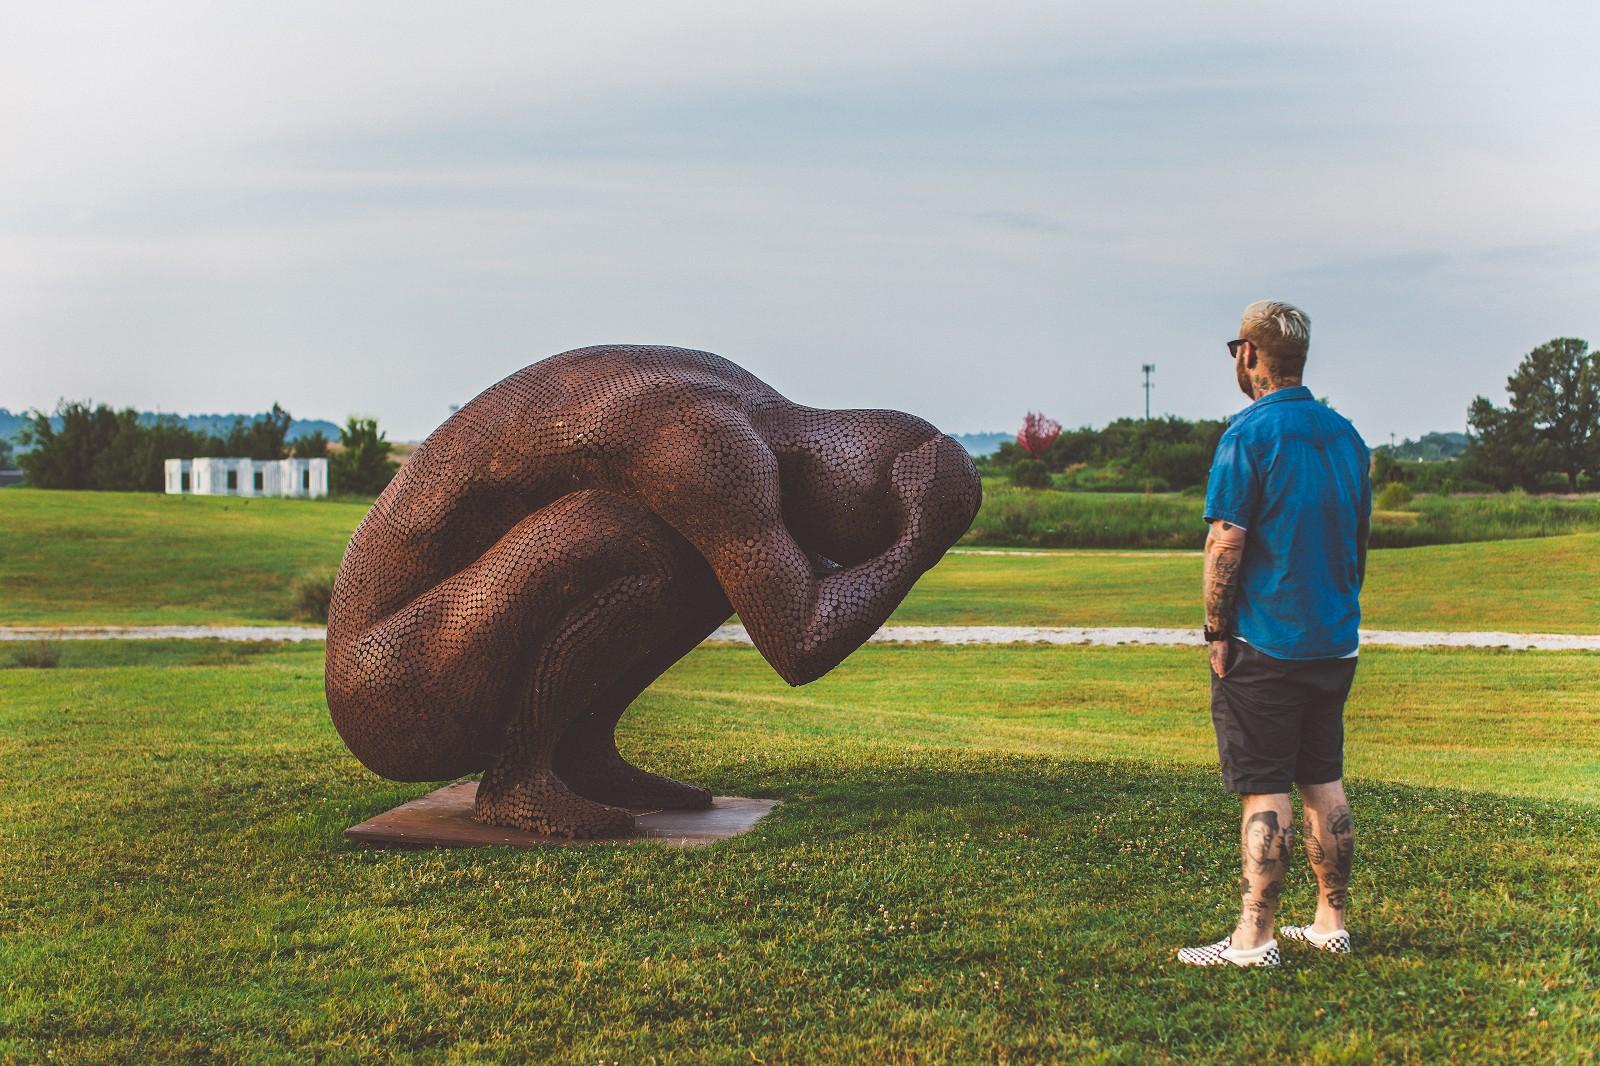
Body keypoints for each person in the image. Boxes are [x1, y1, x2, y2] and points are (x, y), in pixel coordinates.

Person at [325, 345, 981, 838]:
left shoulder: (746, 409)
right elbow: (799, 641)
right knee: (625, 534)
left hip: (438, 651)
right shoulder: (714, 449)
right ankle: (517, 779)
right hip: (390, 678)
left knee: (720, 557)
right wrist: (914, 545)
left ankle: (578, 754)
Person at [1177, 301, 1370, 968]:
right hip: (1334, 639)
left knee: (1265, 786)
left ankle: (1254, 938)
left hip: (1267, 640)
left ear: (1249, 355)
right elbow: (1359, 540)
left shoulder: (1247, 435)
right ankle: (1329, 923)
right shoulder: (1346, 436)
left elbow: (1226, 538)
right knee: (1323, 779)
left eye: (1236, 346)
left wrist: (1215, 630)